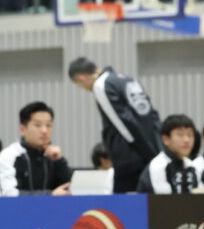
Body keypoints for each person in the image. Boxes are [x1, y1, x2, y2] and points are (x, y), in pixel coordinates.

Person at [68, 57, 161, 192]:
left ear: (82, 78)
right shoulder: (127, 80)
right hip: (151, 146)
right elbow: (151, 114)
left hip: (131, 156)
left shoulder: (101, 85)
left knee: (123, 201)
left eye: (79, 85)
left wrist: (147, 153)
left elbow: (122, 123)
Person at [0, 102, 72, 196]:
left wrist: (60, 161)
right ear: (22, 129)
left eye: (48, 125)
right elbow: (10, 193)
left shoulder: (54, 155)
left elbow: (70, 189)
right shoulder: (10, 155)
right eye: (38, 125)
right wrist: (49, 195)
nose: (44, 131)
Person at [137, 114, 199, 194]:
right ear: (166, 139)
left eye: (190, 135)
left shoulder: (191, 165)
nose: (186, 140)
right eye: (180, 134)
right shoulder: (158, 165)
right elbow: (165, 199)